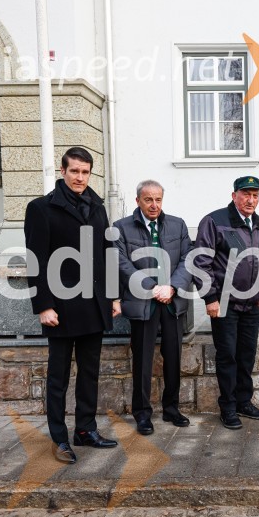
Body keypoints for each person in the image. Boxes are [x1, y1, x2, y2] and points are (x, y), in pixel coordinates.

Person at [24, 147, 120, 464]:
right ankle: (60, 439)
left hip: (93, 305)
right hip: (60, 308)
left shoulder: (97, 208)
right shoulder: (41, 208)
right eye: (75, 171)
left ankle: (85, 430)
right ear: (63, 171)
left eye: (85, 172)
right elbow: (36, 261)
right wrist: (43, 305)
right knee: (58, 377)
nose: (80, 177)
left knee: (90, 372)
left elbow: (107, 254)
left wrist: (114, 296)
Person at [113, 180, 193, 435]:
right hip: (142, 304)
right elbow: (122, 264)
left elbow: (186, 259)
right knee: (143, 361)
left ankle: (172, 409)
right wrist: (151, 286)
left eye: (158, 199)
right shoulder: (121, 228)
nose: (154, 205)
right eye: (148, 200)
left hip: (172, 302)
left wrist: (171, 287)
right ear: (138, 201)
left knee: (173, 358)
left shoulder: (177, 225)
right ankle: (142, 414)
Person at [194, 176, 259, 430]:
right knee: (227, 356)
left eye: (255, 195)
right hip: (224, 303)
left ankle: (243, 402)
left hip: (251, 304)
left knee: (246, 355)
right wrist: (210, 298)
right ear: (234, 195)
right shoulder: (215, 221)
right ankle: (228, 407)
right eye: (246, 194)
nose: (251, 200)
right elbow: (201, 263)